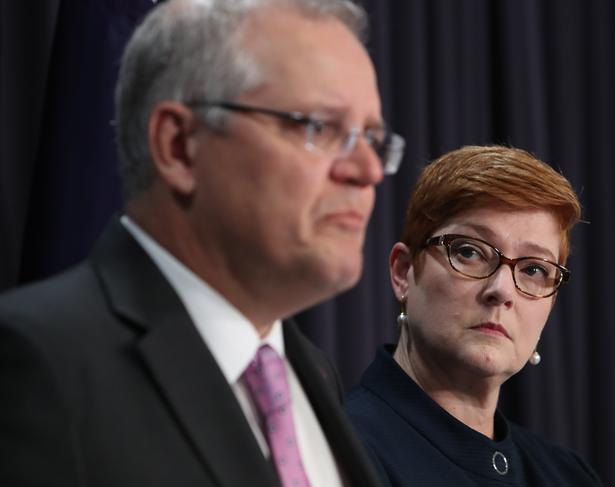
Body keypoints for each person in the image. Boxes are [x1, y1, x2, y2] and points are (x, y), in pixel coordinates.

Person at [0, 0, 405, 486]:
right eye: (318, 126)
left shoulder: (315, 374)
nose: (368, 170)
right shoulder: (38, 360)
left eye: (372, 138)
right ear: (179, 146)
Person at [346, 145, 602, 486]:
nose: (502, 290)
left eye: (534, 270)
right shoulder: (336, 446)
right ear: (404, 272)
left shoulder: (569, 476)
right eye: (469, 252)